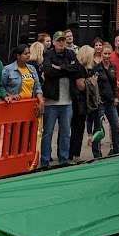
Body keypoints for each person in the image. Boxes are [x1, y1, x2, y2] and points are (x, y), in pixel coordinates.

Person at [40, 30, 81, 169]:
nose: (61, 42)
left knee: (65, 133)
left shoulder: (70, 53)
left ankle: (63, 160)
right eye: (59, 40)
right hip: (52, 102)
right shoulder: (49, 54)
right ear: (53, 42)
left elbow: (77, 68)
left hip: (67, 101)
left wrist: (60, 67)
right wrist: (65, 70)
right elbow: (48, 71)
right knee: (48, 133)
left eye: (63, 40)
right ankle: (44, 161)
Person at [93, 42, 119, 159]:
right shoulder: (96, 68)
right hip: (101, 102)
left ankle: (117, 151)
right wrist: (97, 98)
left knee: (115, 126)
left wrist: (116, 97)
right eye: (105, 53)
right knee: (98, 128)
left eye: (109, 54)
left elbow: (114, 84)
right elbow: (93, 85)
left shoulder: (113, 67)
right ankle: (96, 153)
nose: (107, 56)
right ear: (101, 54)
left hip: (111, 101)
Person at [69, 44, 97, 164]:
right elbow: (81, 86)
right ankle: (74, 155)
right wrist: (92, 81)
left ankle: (75, 154)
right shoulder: (80, 68)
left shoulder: (83, 68)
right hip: (78, 102)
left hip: (80, 102)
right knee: (77, 129)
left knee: (78, 129)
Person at [2, 45, 44, 115]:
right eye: (25, 54)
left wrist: (41, 101)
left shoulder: (32, 68)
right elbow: (1, 87)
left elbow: (37, 87)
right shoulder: (8, 69)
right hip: (14, 105)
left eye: (29, 53)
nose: (28, 55)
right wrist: (10, 96)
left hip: (30, 105)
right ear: (18, 56)